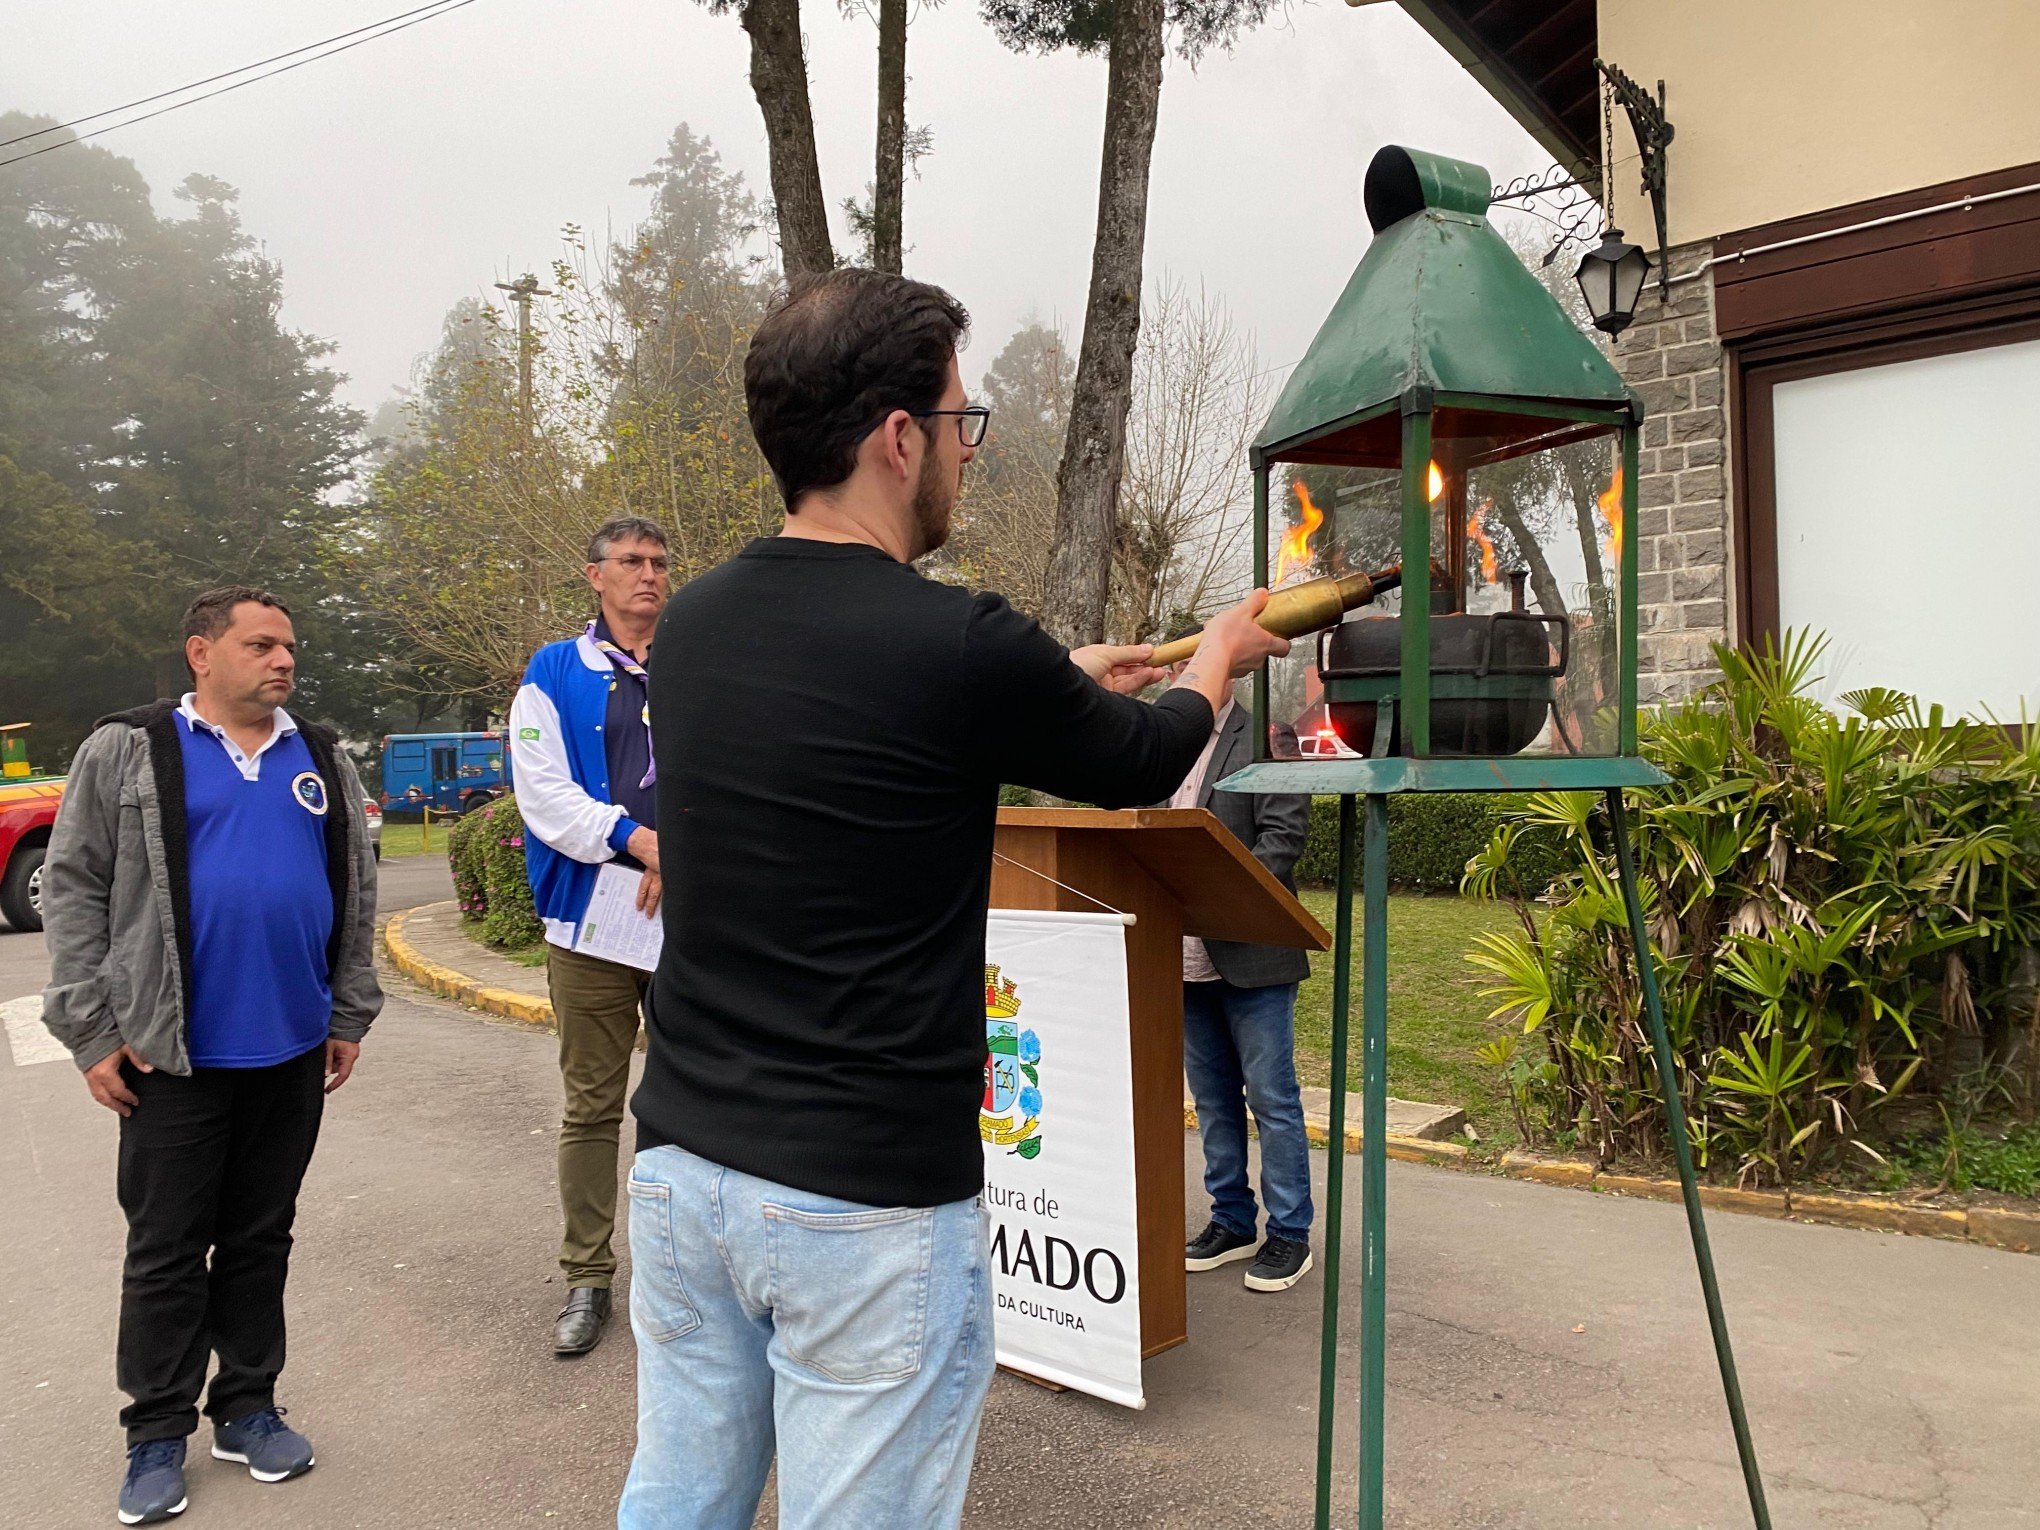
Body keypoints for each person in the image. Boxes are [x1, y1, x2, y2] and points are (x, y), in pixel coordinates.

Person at [618, 267, 1289, 1530]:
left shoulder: (694, 623)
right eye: (962, 423)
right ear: (896, 437)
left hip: (684, 1171)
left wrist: (1057, 679)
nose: (966, 454)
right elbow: (1142, 761)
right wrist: (1215, 657)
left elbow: (849, 727)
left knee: (677, 1501)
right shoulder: (960, 646)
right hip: (861, 1206)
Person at [39, 586, 382, 1526]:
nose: (284, 661)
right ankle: (155, 1433)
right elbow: (73, 888)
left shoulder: (319, 756)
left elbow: (354, 885)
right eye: (262, 644)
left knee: (262, 1236)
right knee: (165, 1250)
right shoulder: (131, 748)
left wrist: (348, 1009)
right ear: (202, 652)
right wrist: (90, 1030)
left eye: (291, 648)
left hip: (292, 1046)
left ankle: (247, 1406)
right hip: (170, 1056)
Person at [506, 515, 671, 1357]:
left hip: (690, 917)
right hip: (592, 922)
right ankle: (588, 1277)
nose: (648, 575)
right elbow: (545, 795)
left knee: (694, 1100)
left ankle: (685, 1275)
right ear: (593, 575)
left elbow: (732, 766)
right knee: (593, 1105)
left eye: (658, 562)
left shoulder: (696, 662)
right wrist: (639, 839)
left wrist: (685, 842)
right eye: (630, 562)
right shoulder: (552, 672)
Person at [1157, 626, 1317, 1293]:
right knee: (1215, 1102)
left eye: (1189, 663)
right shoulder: (1159, 743)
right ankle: (1231, 1221)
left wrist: (1218, 896)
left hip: (1251, 952)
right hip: (1178, 954)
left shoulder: (1270, 738)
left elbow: (1284, 835)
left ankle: (1289, 1234)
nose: (1181, 677)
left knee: (1271, 1100)